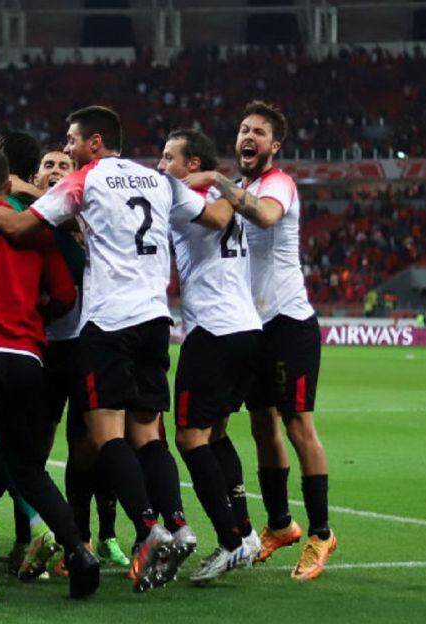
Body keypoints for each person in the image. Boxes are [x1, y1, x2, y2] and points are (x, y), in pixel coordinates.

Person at [0, 105, 210, 592]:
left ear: (95, 143)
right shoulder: (157, 179)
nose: (68, 146)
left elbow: (17, 227)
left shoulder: (87, 180)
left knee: (106, 433)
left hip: (109, 322)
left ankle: (147, 529)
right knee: (148, 433)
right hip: (156, 318)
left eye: (72, 139)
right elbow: (217, 214)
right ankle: (179, 523)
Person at [184, 101, 336, 581]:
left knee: (297, 426)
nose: (248, 136)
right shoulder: (239, 187)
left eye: (259, 132)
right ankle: (278, 525)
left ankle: (321, 532)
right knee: (261, 427)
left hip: (290, 323)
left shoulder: (278, 185)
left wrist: (212, 180)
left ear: (275, 146)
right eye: (244, 129)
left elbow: (267, 218)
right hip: (251, 327)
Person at [0, 147, 98, 602]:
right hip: (28, 358)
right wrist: (31, 314)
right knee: (29, 468)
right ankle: (78, 550)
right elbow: (65, 296)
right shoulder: (36, 232)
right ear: (10, 185)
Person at [158, 128, 262, 583]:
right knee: (216, 433)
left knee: (188, 437)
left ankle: (230, 541)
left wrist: (215, 180)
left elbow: (216, 217)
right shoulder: (229, 197)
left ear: (192, 164)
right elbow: (226, 211)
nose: (162, 166)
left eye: (169, 158)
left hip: (214, 331)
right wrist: (221, 181)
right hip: (246, 330)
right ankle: (244, 531)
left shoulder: (185, 195)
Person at [29, 148, 130, 573]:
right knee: (36, 444)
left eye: (63, 166)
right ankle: (34, 537)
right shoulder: (32, 222)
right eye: (48, 165)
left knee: (90, 444)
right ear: (35, 177)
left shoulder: (93, 224)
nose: (55, 171)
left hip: (86, 345)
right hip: (43, 347)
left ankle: (96, 535)